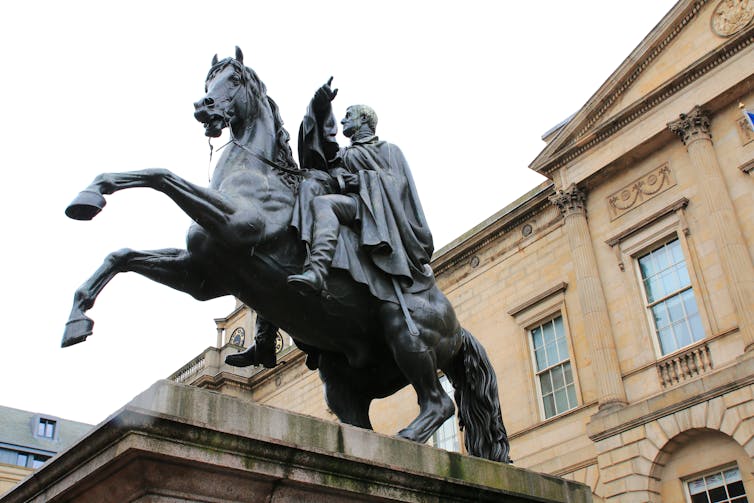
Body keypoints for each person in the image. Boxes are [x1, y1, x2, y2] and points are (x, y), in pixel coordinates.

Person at [288, 97, 435, 304]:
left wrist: (356, 181)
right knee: (309, 184)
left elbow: (397, 183)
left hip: (372, 211)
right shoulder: (345, 153)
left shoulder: (389, 150)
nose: (342, 121)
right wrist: (318, 107)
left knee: (324, 204)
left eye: (348, 116)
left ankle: (317, 270)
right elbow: (318, 153)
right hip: (352, 205)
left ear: (364, 119)